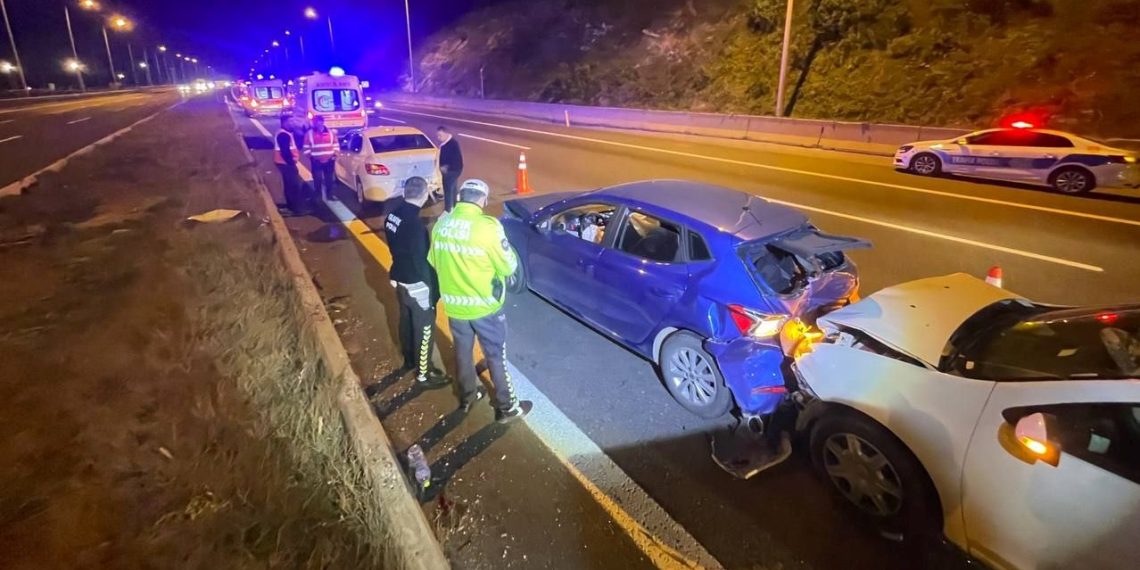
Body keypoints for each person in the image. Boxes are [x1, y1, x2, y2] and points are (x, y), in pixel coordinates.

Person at [429, 179, 531, 423]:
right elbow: (508, 267)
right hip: (485, 307)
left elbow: (434, 261)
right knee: (496, 355)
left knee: (463, 353)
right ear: (482, 200)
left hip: (455, 306)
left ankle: (467, 396)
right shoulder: (488, 227)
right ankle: (508, 407)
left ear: (462, 196)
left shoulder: (441, 224)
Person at [384, 176, 450, 389]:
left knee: (406, 320)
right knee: (424, 327)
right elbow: (420, 259)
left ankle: (409, 359)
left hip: (399, 277)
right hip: (416, 282)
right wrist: (430, 289)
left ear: (405, 192)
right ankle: (424, 373)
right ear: (423, 195)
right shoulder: (414, 225)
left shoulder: (392, 215)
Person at [274, 117, 306, 215]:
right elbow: (285, 151)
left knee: (290, 186)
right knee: (293, 186)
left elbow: (298, 145)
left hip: (284, 163)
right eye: (290, 122)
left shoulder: (287, 133)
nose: (293, 123)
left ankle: (291, 207)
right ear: (284, 123)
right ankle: (295, 209)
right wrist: (292, 163)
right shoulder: (283, 135)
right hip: (286, 164)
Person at [306, 116, 338, 202]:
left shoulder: (331, 133)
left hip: (329, 160)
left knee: (329, 179)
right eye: (315, 122)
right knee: (317, 179)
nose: (317, 124)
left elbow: (335, 144)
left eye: (318, 122)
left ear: (322, 122)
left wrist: (334, 155)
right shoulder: (309, 134)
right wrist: (311, 157)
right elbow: (306, 147)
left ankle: (330, 195)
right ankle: (318, 196)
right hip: (316, 161)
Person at [436, 126, 463, 212]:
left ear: (447, 134)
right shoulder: (446, 143)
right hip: (453, 171)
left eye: (440, 135)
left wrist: (446, 167)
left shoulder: (452, 144)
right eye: (438, 135)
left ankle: (447, 211)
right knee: (453, 189)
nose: (438, 138)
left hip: (451, 171)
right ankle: (455, 207)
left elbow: (456, 159)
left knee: (448, 191)